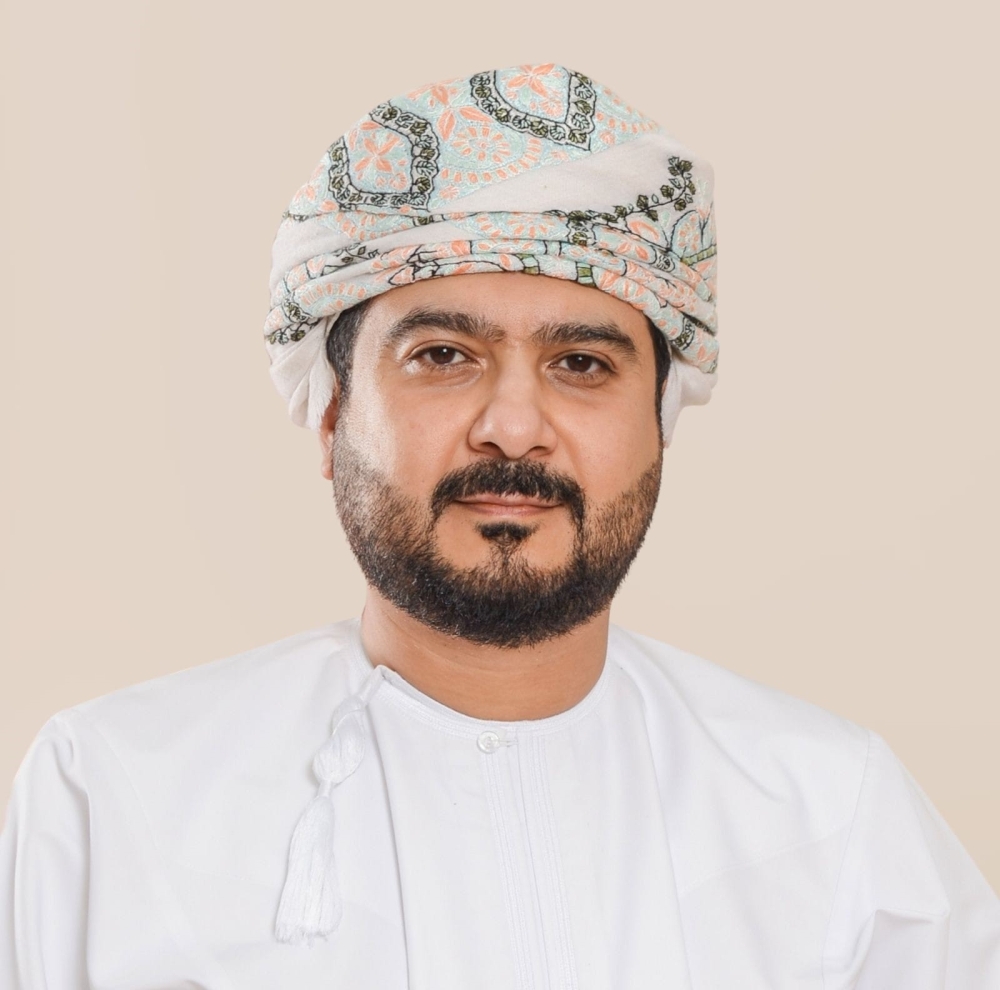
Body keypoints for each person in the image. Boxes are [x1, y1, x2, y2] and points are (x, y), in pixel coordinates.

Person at [1, 62, 998, 989]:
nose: (514, 427)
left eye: (582, 365)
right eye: (442, 355)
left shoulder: (836, 823)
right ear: (333, 415)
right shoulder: (116, 796)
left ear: (660, 423)